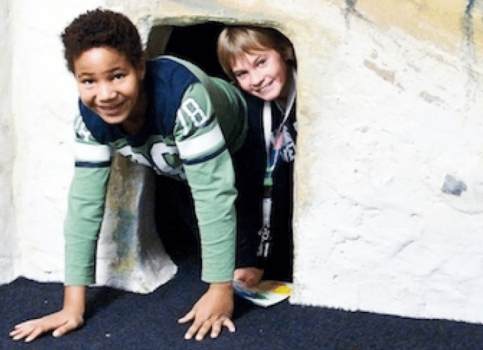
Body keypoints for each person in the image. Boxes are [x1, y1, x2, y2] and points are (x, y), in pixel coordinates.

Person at [9, 9, 247, 342]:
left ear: (139, 67)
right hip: (177, 168)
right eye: (89, 81)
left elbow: (213, 194)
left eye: (117, 75)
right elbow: (84, 205)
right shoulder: (90, 120)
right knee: (193, 236)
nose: (105, 94)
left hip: (245, 142)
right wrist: (72, 307)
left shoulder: (182, 99)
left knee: (250, 257)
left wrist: (220, 291)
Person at [217, 25, 296, 288]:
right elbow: (253, 187)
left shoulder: (316, 94)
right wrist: (249, 259)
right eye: (242, 73)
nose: (256, 79)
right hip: (271, 221)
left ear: (285, 50)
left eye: (261, 63)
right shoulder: (250, 109)